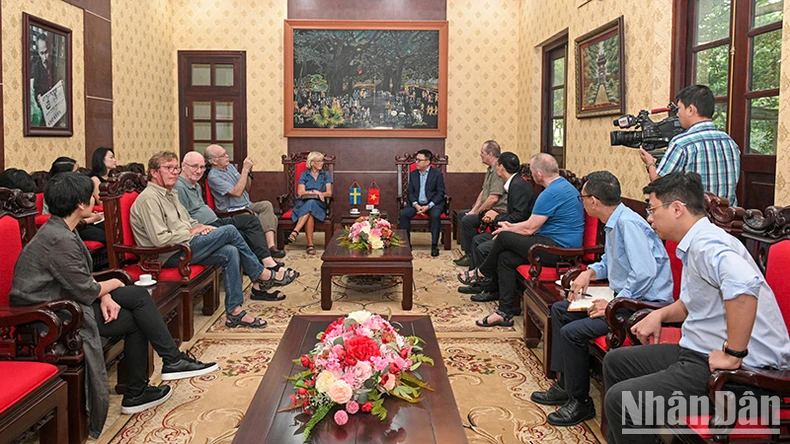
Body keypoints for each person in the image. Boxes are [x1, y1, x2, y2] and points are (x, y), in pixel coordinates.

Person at [9, 173, 218, 438]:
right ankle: (142, 387)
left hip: (68, 300)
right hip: (49, 315)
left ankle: (165, 368)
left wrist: (105, 295)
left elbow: (80, 280)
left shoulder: (61, 228)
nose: (96, 198)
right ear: (80, 204)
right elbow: (85, 288)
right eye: (92, 195)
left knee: (138, 300)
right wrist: (112, 287)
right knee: (134, 311)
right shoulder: (58, 239)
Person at [604, 172, 790, 443]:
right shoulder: (695, 243)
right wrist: (660, 314)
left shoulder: (708, 244)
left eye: (653, 210)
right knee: (616, 362)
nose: (649, 218)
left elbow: (744, 288)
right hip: (700, 352)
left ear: (677, 208)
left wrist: (732, 355)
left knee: (622, 401)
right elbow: (693, 303)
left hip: (743, 374)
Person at [530, 171, 674, 427]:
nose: (581, 202)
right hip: (623, 298)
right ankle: (565, 384)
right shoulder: (616, 221)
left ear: (593, 200)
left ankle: (581, 402)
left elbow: (644, 272)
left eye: (582, 197)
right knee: (562, 309)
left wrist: (612, 304)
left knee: (573, 332)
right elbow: (612, 261)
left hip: (641, 306)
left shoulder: (628, 223)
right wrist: (590, 272)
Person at [131, 152, 297, 326]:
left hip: (185, 245)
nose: (173, 172)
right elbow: (160, 239)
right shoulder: (149, 199)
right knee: (230, 231)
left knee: (230, 251)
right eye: (168, 168)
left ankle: (235, 312)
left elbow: (189, 220)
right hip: (169, 254)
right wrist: (194, 231)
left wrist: (202, 228)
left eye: (175, 168)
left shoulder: (169, 194)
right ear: (154, 172)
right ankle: (261, 273)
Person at [458, 153, 585, 327]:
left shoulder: (551, 193)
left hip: (558, 250)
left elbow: (529, 228)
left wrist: (507, 230)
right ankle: (505, 312)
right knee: (505, 259)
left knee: (503, 237)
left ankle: (481, 272)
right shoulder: (562, 186)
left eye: (532, 171)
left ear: (538, 174)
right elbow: (531, 224)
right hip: (549, 243)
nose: (531, 175)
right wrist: (509, 227)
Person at [175, 151, 293, 285]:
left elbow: (246, 189)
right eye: (194, 166)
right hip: (217, 219)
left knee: (254, 219)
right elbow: (184, 218)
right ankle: (263, 270)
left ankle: (265, 263)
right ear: (183, 166)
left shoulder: (195, 184)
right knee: (245, 228)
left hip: (219, 218)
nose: (199, 171)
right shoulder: (180, 187)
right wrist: (200, 228)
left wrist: (248, 172)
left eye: (201, 167)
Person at [639, 84, 741, 205]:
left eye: (679, 108)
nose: (677, 114)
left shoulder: (682, 143)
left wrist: (650, 163)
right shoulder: (730, 142)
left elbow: (659, 184)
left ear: (691, 110)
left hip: (694, 219)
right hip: (728, 219)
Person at [465, 151, 536, 300]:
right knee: (477, 240)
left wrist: (496, 217)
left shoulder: (518, 185)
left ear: (501, 167)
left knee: (483, 247)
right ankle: (479, 284)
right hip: (512, 227)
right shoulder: (514, 183)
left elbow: (520, 216)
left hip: (521, 231)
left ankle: (490, 289)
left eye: (498, 165)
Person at [205, 144, 280, 255]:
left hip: (246, 204)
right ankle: (266, 251)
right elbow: (237, 193)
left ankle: (270, 246)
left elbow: (246, 188)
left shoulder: (230, 167)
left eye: (226, 153)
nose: (227, 156)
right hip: (232, 210)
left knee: (266, 205)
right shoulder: (214, 177)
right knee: (270, 218)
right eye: (223, 155)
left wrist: (249, 172)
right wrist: (244, 169)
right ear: (214, 161)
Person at [453, 140, 508, 267]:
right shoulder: (490, 169)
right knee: (463, 215)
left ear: (490, 154)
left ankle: (472, 255)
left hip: (497, 210)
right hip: (489, 208)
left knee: (468, 221)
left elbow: (494, 198)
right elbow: (484, 193)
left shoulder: (498, 170)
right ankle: (468, 253)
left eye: (482, 152)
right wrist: (474, 210)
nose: (480, 155)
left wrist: (478, 213)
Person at [46, 156, 106, 244]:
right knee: (104, 235)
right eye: (75, 171)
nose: (79, 173)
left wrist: (94, 216)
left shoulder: (74, 190)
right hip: (75, 226)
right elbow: (67, 220)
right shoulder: (56, 193)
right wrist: (92, 219)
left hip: (81, 222)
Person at [398, 149, 446, 257]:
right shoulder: (414, 174)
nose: (416, 162)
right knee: (403, 214)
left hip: (433, 204)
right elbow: (410, 192)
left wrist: (428, 206)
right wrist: (416, 205)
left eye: (419, 160)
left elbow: (440, 193)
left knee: (435, 215)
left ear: (428, 162)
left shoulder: (437, 175)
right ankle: (407, 244)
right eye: (416, 160)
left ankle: (434, 245)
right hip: (416, 204)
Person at [288, 151, 333, 255]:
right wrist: (314, 192)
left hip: (320, 204)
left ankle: (296, 231)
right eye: (319, 161)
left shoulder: (325, 175)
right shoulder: (305, 174)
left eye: (322, 161)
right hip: (303, 203)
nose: (322, 163)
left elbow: (329, 193)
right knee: (310, 207)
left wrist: (319, 194)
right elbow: (300, 193)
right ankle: (310, 245)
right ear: (312, 163)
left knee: (312, 203)